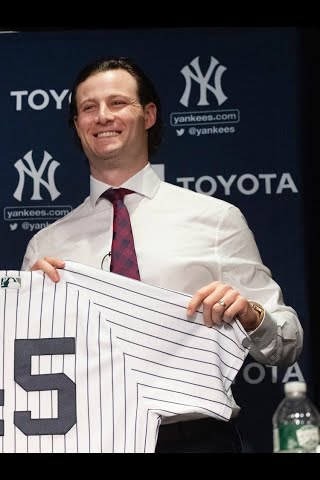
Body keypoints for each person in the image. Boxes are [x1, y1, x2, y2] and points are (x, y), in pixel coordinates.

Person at [21, 56, 303, 453]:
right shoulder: (46, 246)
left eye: (118, 103)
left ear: (149, 114)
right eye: (88, 107)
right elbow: (25, 362)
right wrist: (29, 308)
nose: (102, 116)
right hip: (83, 437)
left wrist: (251, 314)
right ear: (77, 125)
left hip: (192, 439)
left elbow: (287, 342)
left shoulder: (216, 220)